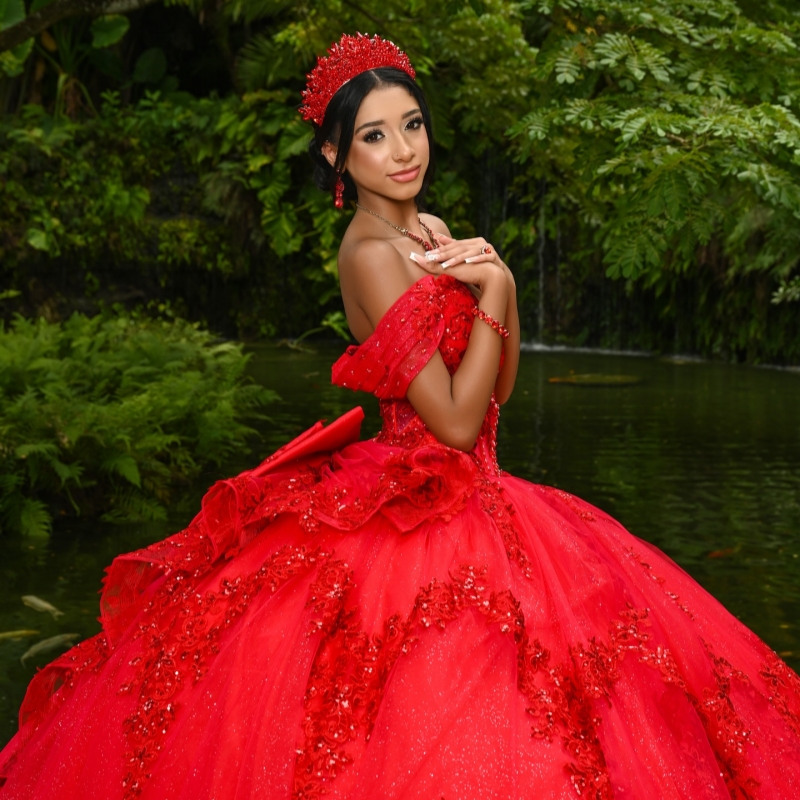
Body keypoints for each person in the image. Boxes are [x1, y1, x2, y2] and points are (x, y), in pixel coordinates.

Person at [1, 32, 799, 800]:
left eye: (411, 124)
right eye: (375, 136)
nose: (404, 149)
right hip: (416, 498)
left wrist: (504, 287)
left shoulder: (431, 231)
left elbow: (499, 394)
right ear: (335, 156)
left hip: (488, 490)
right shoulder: (370, 256)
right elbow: (451, 424)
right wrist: (494, 292)